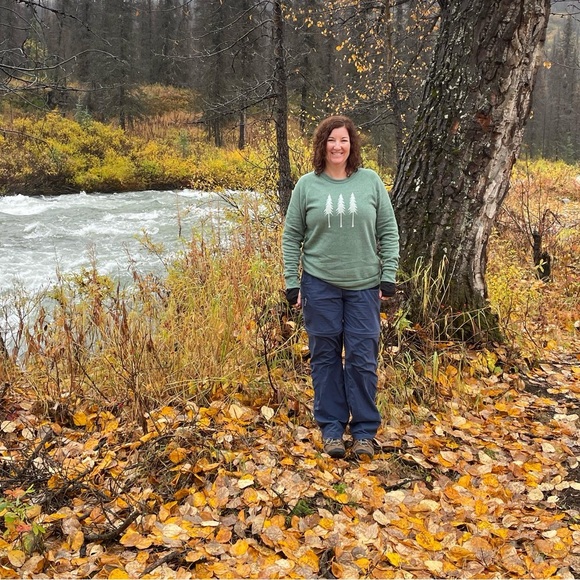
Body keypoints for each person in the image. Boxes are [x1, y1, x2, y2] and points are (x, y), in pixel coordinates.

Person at [282, 115, 399, 460]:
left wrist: (388, 274)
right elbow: (291, 236)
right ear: (322, 145)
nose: (337, 146)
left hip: (364, 286)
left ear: (352, 145)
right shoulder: (307, 186)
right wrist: (292, 282)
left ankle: (363, 432)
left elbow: (388, 230)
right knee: (325, 358)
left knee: (362, 359)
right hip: (319, 286)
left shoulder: (370, 181)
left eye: (344, 140)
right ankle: (332, 428)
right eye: (331, 140)